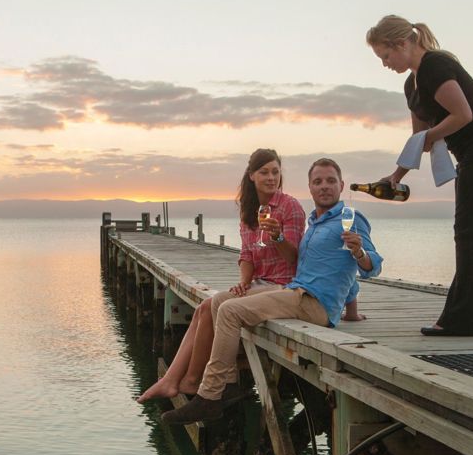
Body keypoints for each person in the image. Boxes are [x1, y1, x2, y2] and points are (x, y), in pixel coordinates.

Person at [161, 158, 383, 425]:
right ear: (310, 188)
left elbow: (372, 266)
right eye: (318, 182)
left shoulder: (351, 219)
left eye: (330, 181)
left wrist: (359, 252)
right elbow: (338, 271)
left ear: (342, 185)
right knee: (219, 301)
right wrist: (352, 311)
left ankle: (209, 396)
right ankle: (228, 385)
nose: (324, 186)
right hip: (295, 293)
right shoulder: (314, 224)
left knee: (230, 311)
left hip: (314, 303)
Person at [366, 15, 473, 337]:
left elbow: (463, 115)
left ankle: (461, 320)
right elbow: (419, 139)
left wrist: (431, 136)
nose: (385, 64)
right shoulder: (412, 85)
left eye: (386, 56)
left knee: (469, 231)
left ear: (402, 44)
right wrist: (396, 175)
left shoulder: (435, 66)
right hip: (470, 153)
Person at [137, 148, 306, 403]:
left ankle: (192, 380)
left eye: (275, 172)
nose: (271, 178)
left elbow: (294, 257)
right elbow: (247, 254)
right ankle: (173, 380)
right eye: (264, 172)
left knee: (215, 306)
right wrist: (244, 283)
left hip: (284, 286)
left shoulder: (289, 206)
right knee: (203, 308)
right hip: (259, 284)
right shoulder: (249, 211)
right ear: (251, 175)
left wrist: (277, 236)